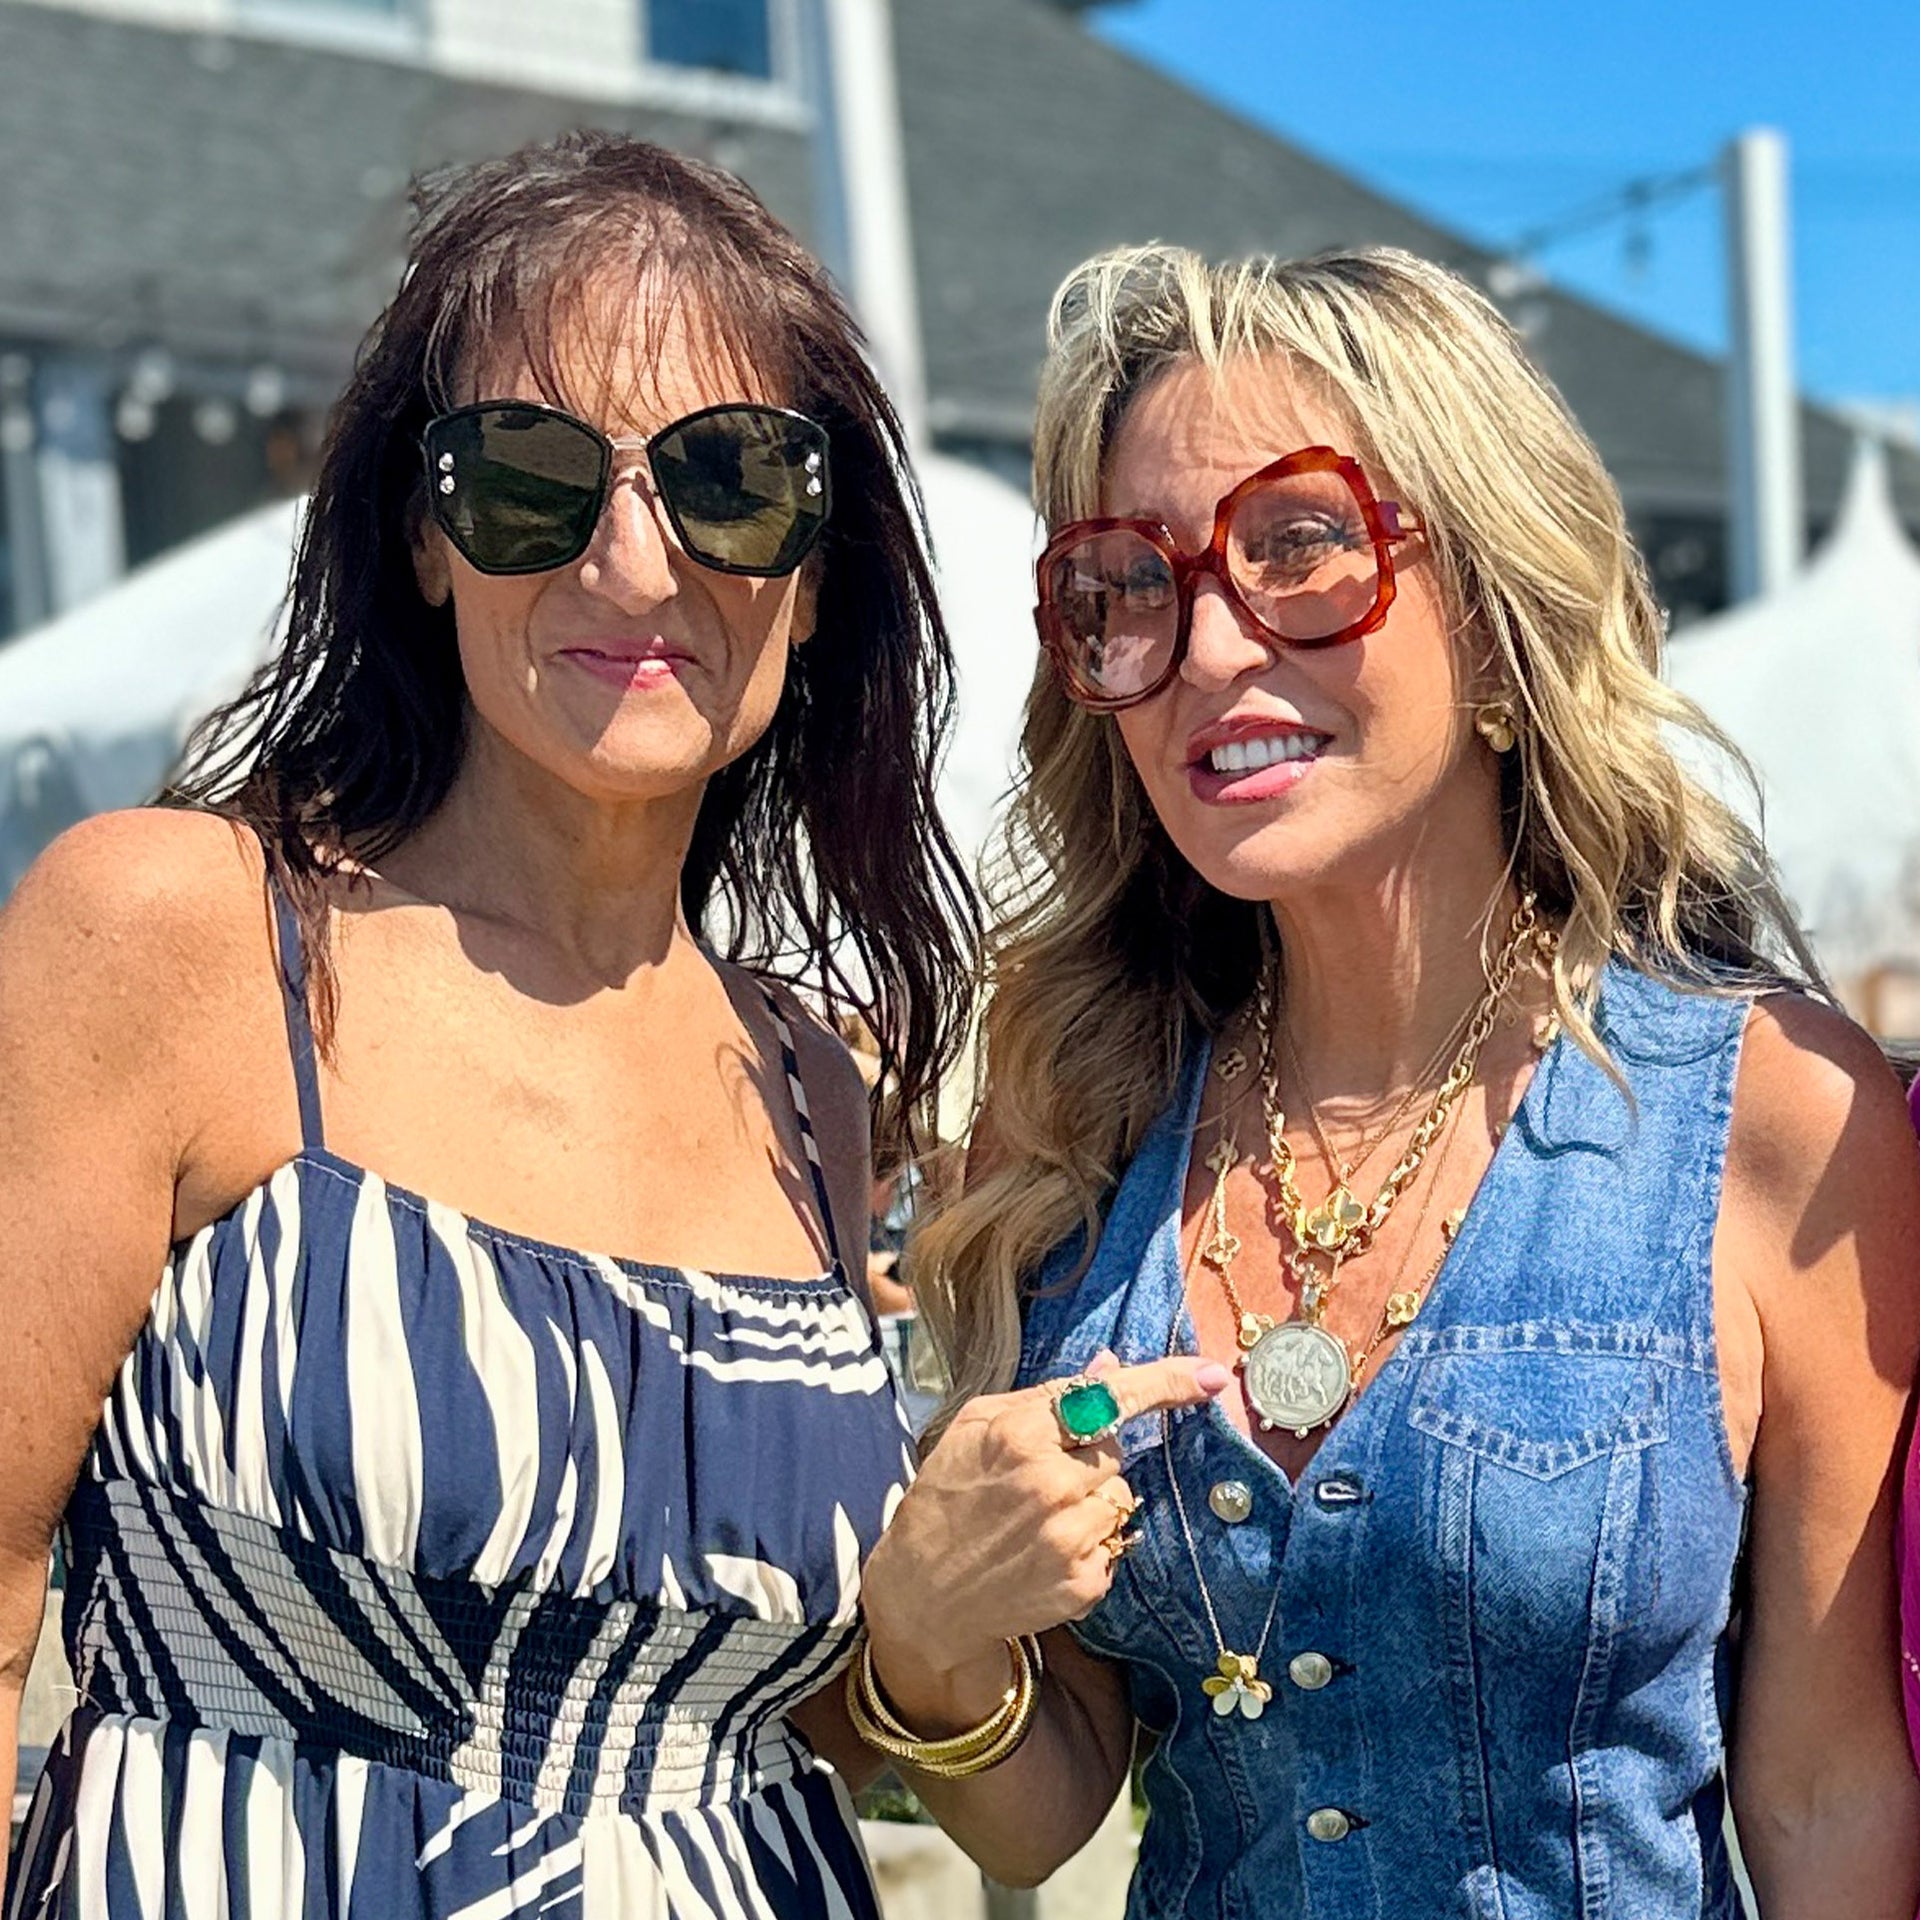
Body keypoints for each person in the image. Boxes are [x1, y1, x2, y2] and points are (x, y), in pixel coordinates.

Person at [853, 244, 1920, 1918]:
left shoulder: (1777, 1118)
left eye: (1297, 549)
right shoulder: (1077, 1115)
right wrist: (923, 1640)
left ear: (1497, 623)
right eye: (1132, 587)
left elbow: (1827, 1789)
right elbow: (1039, 1816)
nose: (1205, 651)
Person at [0, 133, 974, 1920]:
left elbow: (791, 1708)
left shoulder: (812, 1092)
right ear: (429, 547)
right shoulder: (179, 940)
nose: (630, 558)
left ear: (819, 572)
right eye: (528, 478)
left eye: (731, 481)